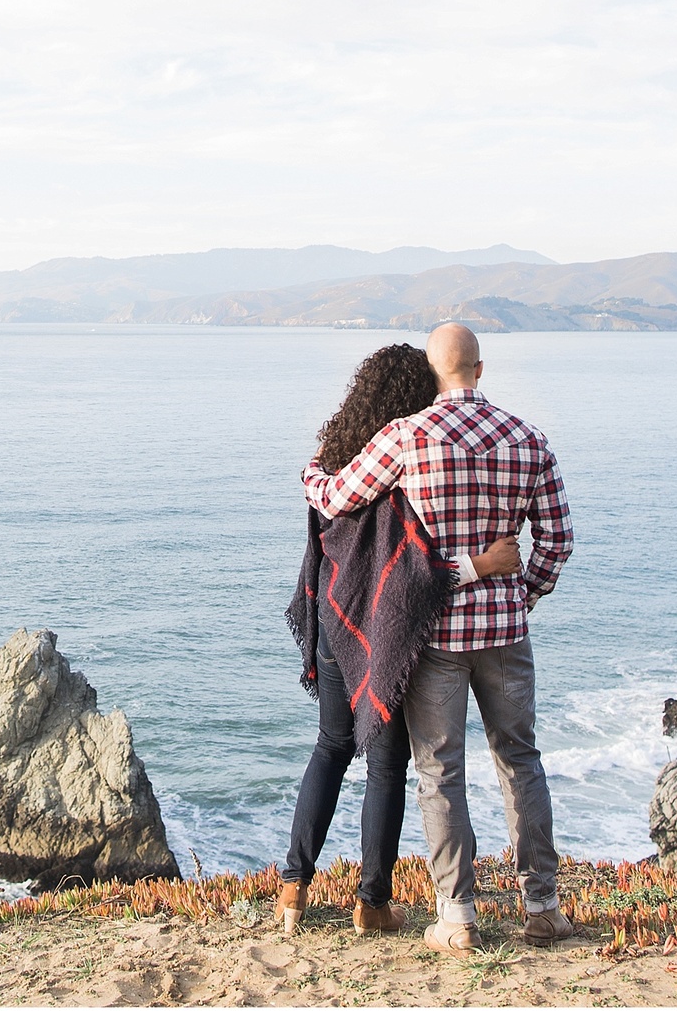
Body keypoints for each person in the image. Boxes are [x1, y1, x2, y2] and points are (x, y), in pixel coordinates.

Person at [303, 323, 573, 954]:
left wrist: (312, 471)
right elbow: (557, 541)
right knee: (522, 762)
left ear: (433, 370)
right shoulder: (529, 439)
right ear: (481, 368)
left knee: (438, 771)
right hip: (505, 633)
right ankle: (543, 905)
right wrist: (522, 594)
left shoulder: (407, 436)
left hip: (438, 636)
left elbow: (337, 498)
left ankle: (458, 914)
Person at [276, 344, 523, 936]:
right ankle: (371, 902)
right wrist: (482, 567)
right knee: (386, 764)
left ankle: (292, 890)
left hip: (336, 620)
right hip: (382, 631)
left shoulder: (336, 461)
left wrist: (311, 471)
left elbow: (322, 500)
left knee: (331, 747)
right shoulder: (406, 463)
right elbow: (415, 575)